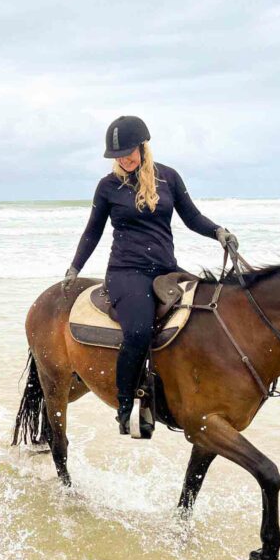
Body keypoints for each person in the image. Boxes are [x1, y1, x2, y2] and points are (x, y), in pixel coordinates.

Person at [63, 115, 238, 437]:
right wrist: (75, 267)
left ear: (144, 147)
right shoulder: (108, 186)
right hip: (126, 272)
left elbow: (192, 217)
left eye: (128, 152)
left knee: (210, 311)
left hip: (165, 268)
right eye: (117, 156)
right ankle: (127, 406)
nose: (123, 160)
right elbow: (93, 232)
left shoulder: (168, 177)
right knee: (139, 331)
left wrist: (218, 232)